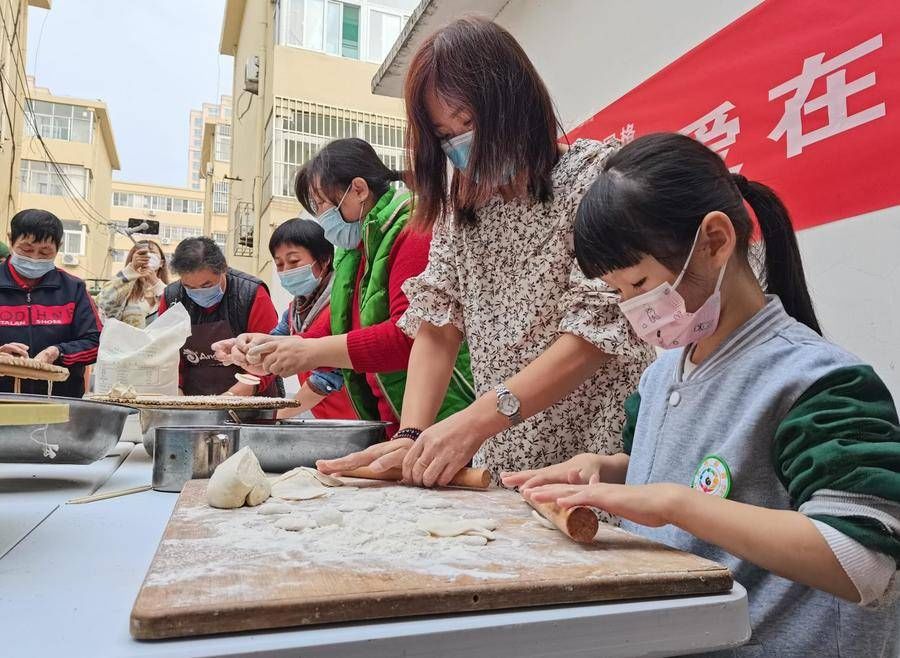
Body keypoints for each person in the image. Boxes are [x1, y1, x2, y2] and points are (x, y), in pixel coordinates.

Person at [503, 133, 899, 656]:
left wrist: (674, 504)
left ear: (714, 241)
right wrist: (605, 468)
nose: (633, 308)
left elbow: (862, 561)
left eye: (641, 283)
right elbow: (676, 458)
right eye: (619, 292)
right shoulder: (662, 374)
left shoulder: (821, 383)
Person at [318, 17, 654, 486]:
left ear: (515, 103)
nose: (460, 144)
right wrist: (413, 434)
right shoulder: (462, 213)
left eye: (469, 123)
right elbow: (437, 326)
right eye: (444, 134)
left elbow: (592, 337)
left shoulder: (593, 179)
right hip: (505, 462)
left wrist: (474, 422)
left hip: (594, 459)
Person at [221, 137, 475, 436]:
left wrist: (308, 350)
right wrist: (266, 348)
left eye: (322, 205)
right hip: (392, 420)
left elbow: (412, 335)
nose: (321, 219)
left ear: (358, 189)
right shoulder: (355, 251)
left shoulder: (413, 229)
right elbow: (334, 331)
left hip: (445, 417)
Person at [158, 237, 278, 396]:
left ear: (223, 269)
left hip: (250, 398)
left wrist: (230, 398)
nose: (198, 292)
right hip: (192, 399)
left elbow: (269, 354)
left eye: (206, 285)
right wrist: (178, 396)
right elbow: (167, 356)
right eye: (189, 287)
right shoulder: (172, 297)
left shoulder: (252, 294)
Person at [0, 209, 102, 397]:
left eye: (45, 252)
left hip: (59, 402)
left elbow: (96, 342)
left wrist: (57, 352)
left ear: (59, 246)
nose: (34, 258)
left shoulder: (73, 289)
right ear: (10, 239)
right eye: (26, 250)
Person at [266, 217, 353, 420]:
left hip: (355, 417)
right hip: (324, 417)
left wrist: (279, 414)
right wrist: (243, 348)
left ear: (324, 260)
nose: (286, 271)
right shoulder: (294, 310)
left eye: (294, 261)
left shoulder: (341, 304)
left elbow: (330, 376)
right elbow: (273, 342)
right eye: (279, 264)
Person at [97, 240, 168, 328]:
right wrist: (131, 270)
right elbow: (104, 303)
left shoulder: (170, 291)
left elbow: (177, 313)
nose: (146, 257)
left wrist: (155, 283)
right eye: (142, 254)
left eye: (152, 253)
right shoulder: (123, 289)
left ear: (161, 263)